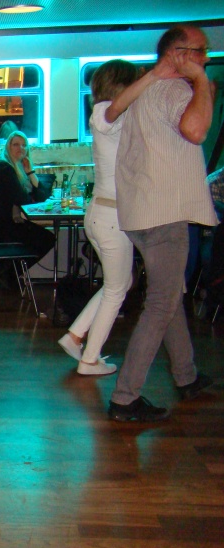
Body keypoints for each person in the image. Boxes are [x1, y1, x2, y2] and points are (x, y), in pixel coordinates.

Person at [109, 25, 218, 422]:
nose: (206, 57)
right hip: (165, 214)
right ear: (178, 53)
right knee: (161, 303)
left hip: (141, 213)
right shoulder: (175, 91)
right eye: (200, 51)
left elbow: (111, 111)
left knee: (170, 295)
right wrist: (201, 82)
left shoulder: (143, 91)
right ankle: (125, 398)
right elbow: (196, 130)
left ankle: (186, 375)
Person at [57, 59, 175, 376]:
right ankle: (89, 359)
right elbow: (115, 113)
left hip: (105, 214)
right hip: (110, 217)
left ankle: (75, 335)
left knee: (120, 283)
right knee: (116, 290)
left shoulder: (116, 116)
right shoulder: (103, 113)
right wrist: (153, 76)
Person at [0, 130, 55, 285]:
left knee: (43, 237)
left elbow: (41, 197)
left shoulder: (15, 168)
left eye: (24, 145)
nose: (20, 148)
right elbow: (24, 200)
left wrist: (30, 172)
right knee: (47, 239)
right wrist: (32, 195)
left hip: (3, 225)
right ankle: (9, 273)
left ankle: (8, 270)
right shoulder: (4, 168)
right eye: (15, 144)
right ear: (8, 147)